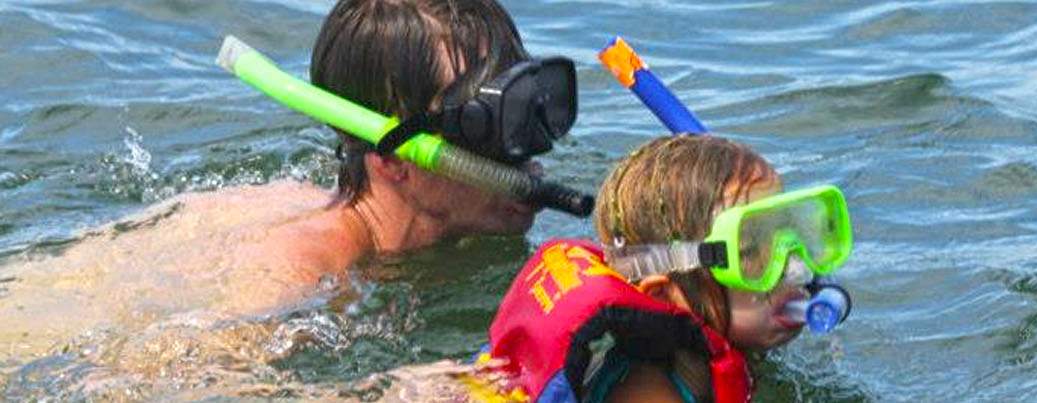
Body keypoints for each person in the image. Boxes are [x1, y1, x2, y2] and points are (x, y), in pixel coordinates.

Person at [0, 0, 551, 366]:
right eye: (484, 122)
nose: (526, 148)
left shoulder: (330, 216)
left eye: (523, 103)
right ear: (394, 160)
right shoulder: (302, 269)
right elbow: (185, 377)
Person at [467, 135, 854, 402]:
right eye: (751, 252)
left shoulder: (713, 358)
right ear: (665, 295)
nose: (795, 268)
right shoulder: (648, 393)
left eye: (788, 233)